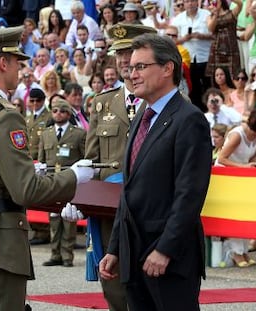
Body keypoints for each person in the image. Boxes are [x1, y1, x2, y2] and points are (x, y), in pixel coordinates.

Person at [0, 26, 93, 311]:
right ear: (3, 63)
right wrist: (75, 177)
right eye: (17, 61)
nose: (19, 68)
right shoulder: (4, 116)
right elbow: (26, 189)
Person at [99, 32, 212, 311]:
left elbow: (190, 194)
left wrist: (165, 249)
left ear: (167, 68)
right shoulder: (142, 117)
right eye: (130, 68)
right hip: (134, 254)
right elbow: (129, 190)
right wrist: (115, 248)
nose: (132, 75)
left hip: (168, 260)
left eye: (140, 67)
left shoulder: (189, 119)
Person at [86, 23, 157, 311]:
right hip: (110, 212)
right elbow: (91, 160)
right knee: (112, 285)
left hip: (149, 209)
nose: (125, 60)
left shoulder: (160, 103)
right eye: (119, 53)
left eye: (130, 51)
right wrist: (79, 197)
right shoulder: (102, 104)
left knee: (148, 284)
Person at [215, 108, 256, 266]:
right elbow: (221, 159)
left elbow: (251, 155)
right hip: (226, 178)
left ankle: (244, 251)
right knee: (235, 213)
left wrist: (251, 166)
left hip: (241, 177)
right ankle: (235, 252)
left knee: (245, 212)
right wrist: (244, 167)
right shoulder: (237, 135)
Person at [39, 98, 86, 268]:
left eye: (62, 111)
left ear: (68, 113)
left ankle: (67, 255)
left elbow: (84, 158)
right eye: (55, 111)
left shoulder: (79, 133)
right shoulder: (46, 134)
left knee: (68, 218)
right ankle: (55, 254)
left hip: (70, 181)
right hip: (51, 181)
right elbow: (41, 160)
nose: (58, 114)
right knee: (53, 218)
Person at [171, 0, 213, 112]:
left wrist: (201, 36)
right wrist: (185, 38)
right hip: (188, 60)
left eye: (192, 1)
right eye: (187, 1)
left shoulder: (206, 15)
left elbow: (215, 34)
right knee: (193, 88)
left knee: (208, 85)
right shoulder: (178, 19)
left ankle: (209, 110)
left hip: (205, 57)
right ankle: (196, 111)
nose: (190, 4)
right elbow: (172, 39)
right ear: (184, 3)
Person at [205, 0, 242, 79]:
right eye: (210, 3)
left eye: (214, 2)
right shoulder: (210, 17)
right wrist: (215, 15)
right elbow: (211, 29)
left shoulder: (231, 13)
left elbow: (240, 4)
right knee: (218, 76)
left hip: (231, 49)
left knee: (233, 75)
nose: (213, 5)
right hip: (216, 50)